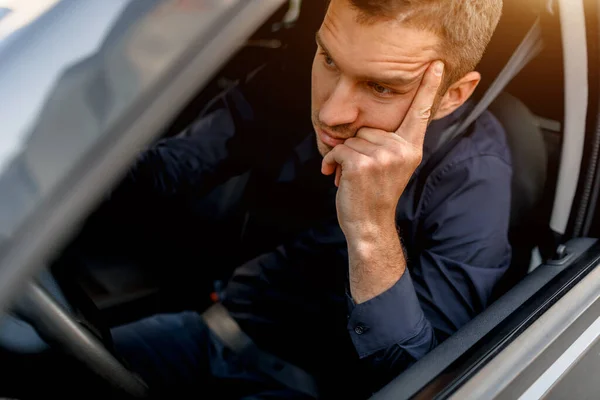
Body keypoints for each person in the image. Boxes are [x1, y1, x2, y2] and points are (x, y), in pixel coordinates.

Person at [107, 0, 511, 398]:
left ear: (453, 94)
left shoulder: (473, 177)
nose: (331, 112)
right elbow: (166, 170)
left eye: (380, 86)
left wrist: (371, 229)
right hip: (211, 332)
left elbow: (421, 380)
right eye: (330, 60)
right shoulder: (286, 81)